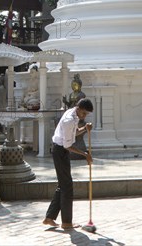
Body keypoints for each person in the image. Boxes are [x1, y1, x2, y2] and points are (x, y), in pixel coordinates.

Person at [43, 97, 94, 230]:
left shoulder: (74, 114)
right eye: (83, 113)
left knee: (63, 184)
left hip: (61, 150)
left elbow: (74, 133)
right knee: (67, 186)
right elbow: (68, 145)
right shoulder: (69, 120)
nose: (84, 116)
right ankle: (66, 222)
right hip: (60, 151)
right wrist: (85, 155)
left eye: (86, 114)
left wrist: (84, 128)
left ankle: (49, 218)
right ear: (78, 108)